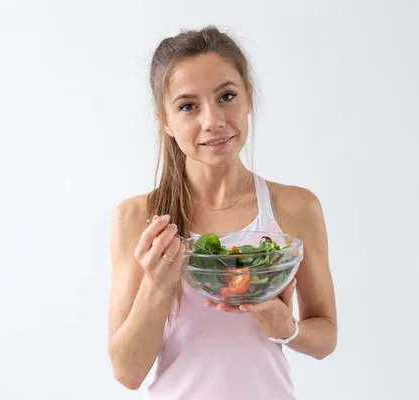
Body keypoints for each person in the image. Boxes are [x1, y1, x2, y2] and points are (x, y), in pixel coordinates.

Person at [107, 25, 337, 400]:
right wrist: (158, 283)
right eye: (188, 106)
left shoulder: (296, 207)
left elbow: (325, 338)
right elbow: (127, 373)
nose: (212, 120)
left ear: (248, 98)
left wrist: (285, 327)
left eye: (226, 96)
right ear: (165, 120)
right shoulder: (137, 218)